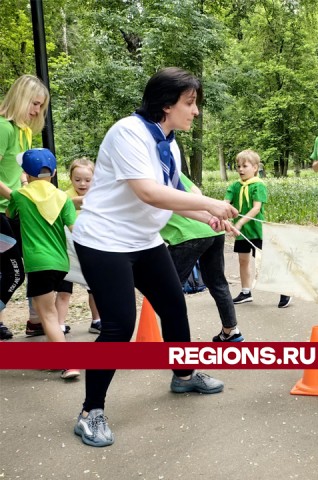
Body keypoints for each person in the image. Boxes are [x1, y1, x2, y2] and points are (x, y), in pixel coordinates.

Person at [71, 67, 237, 447]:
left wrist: (210, 217)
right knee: (119, 325)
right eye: (190, 104)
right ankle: (89, 413)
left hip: (143, 239)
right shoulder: (128, 133)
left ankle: (183, 375)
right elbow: (149, 192)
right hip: (104, 240)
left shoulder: (170, 141)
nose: (195, 111)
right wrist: (211, 201)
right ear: (166, 104)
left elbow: (174, 193)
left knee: (174, 307)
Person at [0, 148, 79, 379]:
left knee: (48, 315)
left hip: (38, 263)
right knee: (51, 312)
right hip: (60, 263)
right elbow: (75, 229)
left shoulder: (19, 196)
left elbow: (10, 215)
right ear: (53, 172)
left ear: (26, 172)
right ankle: (57, 359)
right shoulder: (64, 198)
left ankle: (69, 363)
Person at [161, 172, 242, 341]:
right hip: (212, 228)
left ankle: (176, 345)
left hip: (187, 235)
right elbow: (196, 191)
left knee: (169, 291)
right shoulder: (170, 169)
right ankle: (231, 330)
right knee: (217, 282)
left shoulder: (149, 174)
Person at [0, 74, 50, 340]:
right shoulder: (4, 128)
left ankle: (38, 321)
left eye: (41, 106)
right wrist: (16, 198)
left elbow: (19, 171)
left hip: (13, 209)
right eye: (34, 104)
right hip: (2, 210)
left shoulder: (24, 131)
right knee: (13, 273)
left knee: (28, 266)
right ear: (20, 98)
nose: (36, 111)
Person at [225, 149, 291, 308]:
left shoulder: (258, 186)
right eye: (238, 166)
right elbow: (225, 202)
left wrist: (239, 222)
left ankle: (285, 290)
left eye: (244, 166)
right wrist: (223, 214)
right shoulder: (235, 186)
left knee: (267, 262)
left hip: (257, 230)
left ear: (255, 168)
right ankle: (246, 292)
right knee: (243, 260)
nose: (240, 169)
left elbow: (256, 208)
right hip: (242, 233)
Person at [53, 157, 102, 334]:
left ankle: (97, 320)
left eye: (88, 180)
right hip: (66, 253)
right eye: (77, 179)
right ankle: (59, 324)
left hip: (89, 252)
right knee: (64, 291)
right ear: (70, 178)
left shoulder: (99, 196)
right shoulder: (63, 197)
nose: (82, 184)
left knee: (94, 288)